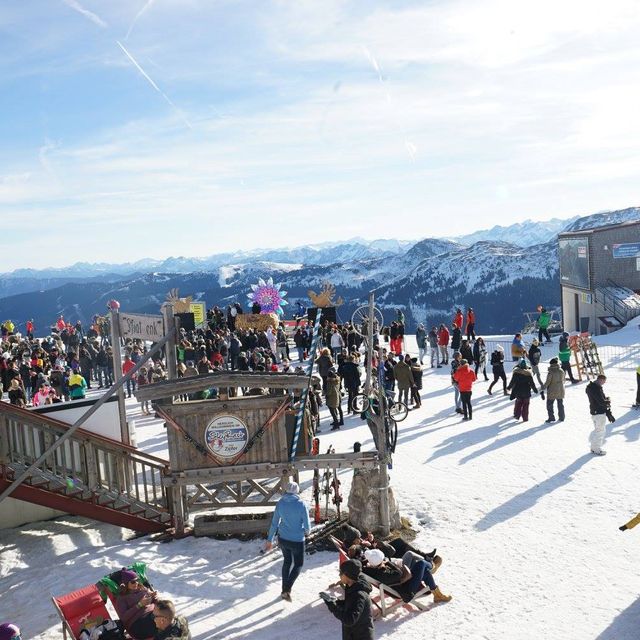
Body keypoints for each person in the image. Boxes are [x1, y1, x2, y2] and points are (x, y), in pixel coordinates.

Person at [265, 481, 311, 601]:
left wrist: (269, 539)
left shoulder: (280, 503)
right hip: (297, 540)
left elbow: (275, 523)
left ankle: (284, 589)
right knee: (298, 564)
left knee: (287, 562)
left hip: (283, 539)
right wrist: (307, 532)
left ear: (286, 490)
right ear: (297, 491)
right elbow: (307, 526)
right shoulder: (301, 504)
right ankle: (286, 589)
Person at [322, 559, 374, 640]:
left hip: (360, 636)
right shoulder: (352, 587)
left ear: (347, 575)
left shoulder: (359, 594)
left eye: (341, 573)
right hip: (352, 634)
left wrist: (332, 606)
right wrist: (335, 602)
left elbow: (349, 620)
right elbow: (350, 604)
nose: (339, 575)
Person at [114, 568, 158, 639]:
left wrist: (154, 597)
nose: (136, 583)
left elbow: (153, 601)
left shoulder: (143, 588)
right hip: (138, 622)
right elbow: (124, 618)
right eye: (133, 582)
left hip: (153, 614)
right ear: (125, 584)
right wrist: (139, 605)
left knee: (168, 617)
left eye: (137, 580)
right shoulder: (122, 598)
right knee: (163, 625)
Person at [586, 374, 613, 456]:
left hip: (594, 411)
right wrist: (607, 401)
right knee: (600, 431)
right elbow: (600, 401)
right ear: (600, 380)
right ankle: (597, 449)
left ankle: (594, 448)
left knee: (598, 430)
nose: (604, 383)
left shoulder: (591, 387)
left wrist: (605, 401)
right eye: (603, 382)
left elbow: (598, 399)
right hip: (599, 412)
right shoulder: (596, 389)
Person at [543, 358, 565, 423]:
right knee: (560, 404)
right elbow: (564, 379)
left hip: (552, 390)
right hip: (561, 389)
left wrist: (543, 388)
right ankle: (562, 417)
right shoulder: (561, 370)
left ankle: (551, 417)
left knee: (549, 404)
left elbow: (548, 382)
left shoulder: (551, 372)